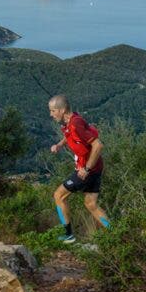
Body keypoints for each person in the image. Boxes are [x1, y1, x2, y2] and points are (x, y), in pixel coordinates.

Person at [48, 95, 111, 243]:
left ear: (62, 110)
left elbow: (98, 145)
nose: (51, 114)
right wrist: (59, 145)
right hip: (96, 168)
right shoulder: (71, 120)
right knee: (91, 204)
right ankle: (116, 234)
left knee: (59, 196)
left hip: (87, 170)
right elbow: (69, 134)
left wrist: (86, 169)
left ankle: (68, 235)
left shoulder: (75, 124)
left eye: (53, 111)